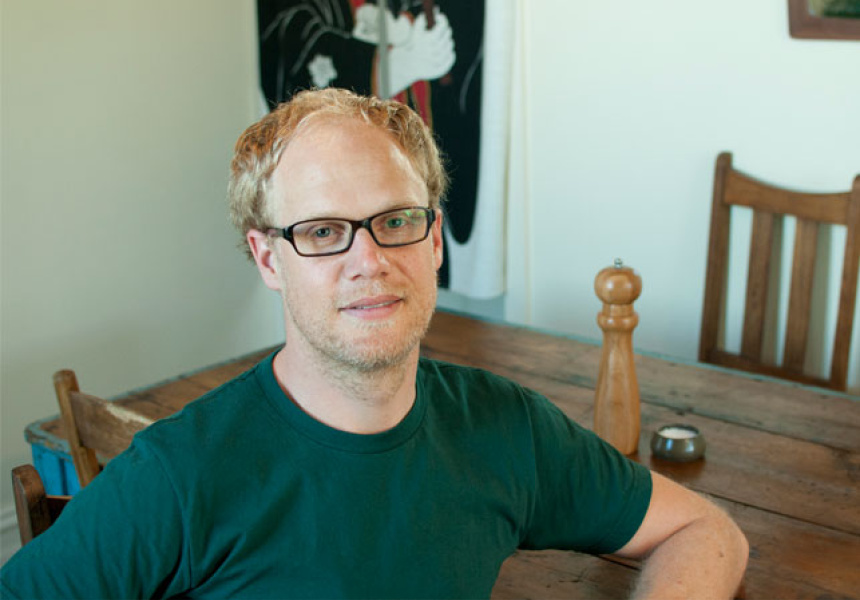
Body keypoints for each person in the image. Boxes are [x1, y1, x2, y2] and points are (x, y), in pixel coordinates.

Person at [0, 88, 748, 599]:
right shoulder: (178, 476)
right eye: (324, 231)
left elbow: (704, 530)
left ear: (434, 241)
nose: (370, 260)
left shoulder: (506, 428)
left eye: (395, 221)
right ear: (269, 259)